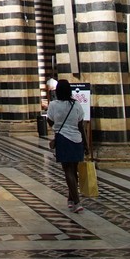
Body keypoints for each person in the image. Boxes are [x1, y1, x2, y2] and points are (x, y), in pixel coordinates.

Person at [48, 78, 88, 213]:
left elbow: (50, 121)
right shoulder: (76, 104)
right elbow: (80, 125)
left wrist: (58, 127)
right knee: (74, 170)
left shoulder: (54, 105)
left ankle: (76, 202)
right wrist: (86, 145)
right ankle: (71, 199)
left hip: (63, 140)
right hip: (77, 140)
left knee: (68, 171)